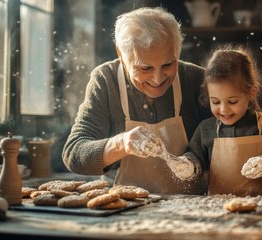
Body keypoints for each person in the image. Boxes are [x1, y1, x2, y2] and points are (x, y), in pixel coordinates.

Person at [62, 7, 211, 195]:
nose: (158, 79)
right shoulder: (106, 81)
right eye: (145, 68)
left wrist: (197, 161)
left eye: (168, 64)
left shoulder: (196, 79)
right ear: (122, 56)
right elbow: (74, 154)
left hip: (191, 205)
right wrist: (122, 144)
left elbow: (235, 137)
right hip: (122, 205)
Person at [178, 45, 262, 196]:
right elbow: (195, 156)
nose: (223, 110)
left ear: (251, 93)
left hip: (258, 207)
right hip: (216, 207)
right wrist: (189, 165)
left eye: (232, 102)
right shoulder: (205, 129)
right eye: (215, 102)